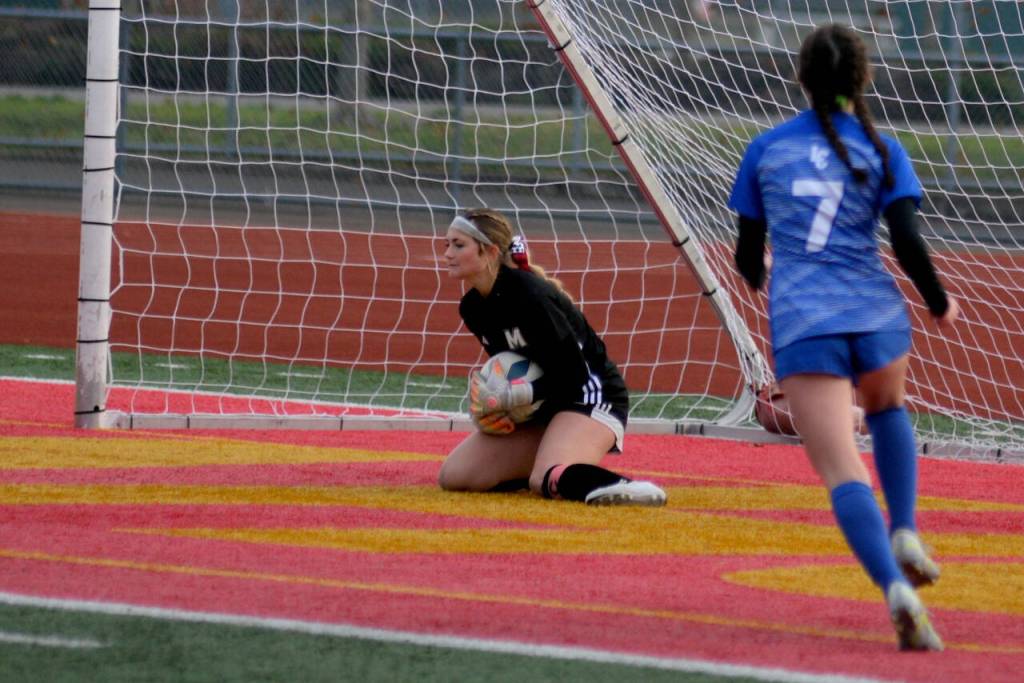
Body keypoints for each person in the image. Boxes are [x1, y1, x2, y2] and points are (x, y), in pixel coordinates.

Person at [728, 24, 959, 651]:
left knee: (840, 468)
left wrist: (762, 274)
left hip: (807, 319)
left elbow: (749, 256)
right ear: (864, 78)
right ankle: (906, 526)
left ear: (801, 78)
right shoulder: (884, 151)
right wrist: (939, 302)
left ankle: (896, 590)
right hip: (877, 312)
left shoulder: (767, 148)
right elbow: (907, 240)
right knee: (888, 411)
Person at [438, 208, 667, 507]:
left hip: (590, 396)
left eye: (458, 245)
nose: (447, 254)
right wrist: (501, 411)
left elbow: (574, 372)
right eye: (446, 245)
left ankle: (628, 487)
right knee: (456, 476)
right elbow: (513, 368)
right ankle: (551, 459)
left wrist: (520, 394)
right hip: (548, 404)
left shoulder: (530, 295)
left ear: (490, 251)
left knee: (544, 478)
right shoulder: (472, 307)